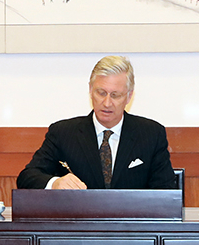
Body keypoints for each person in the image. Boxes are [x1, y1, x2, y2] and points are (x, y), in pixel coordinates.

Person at [18, 55, 176, 190]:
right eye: (101, 93)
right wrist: (55, 183)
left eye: (115, 95)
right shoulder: (63, 133)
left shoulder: (151, 134)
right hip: (79, 223)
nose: (107, 103)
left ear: (129, 96)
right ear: (90, 90)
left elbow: (166, 191)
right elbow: (27, 178)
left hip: (131, 224)